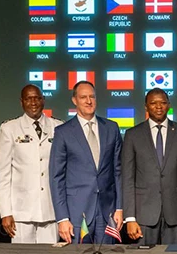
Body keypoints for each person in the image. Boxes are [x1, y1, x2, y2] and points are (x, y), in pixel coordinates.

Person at [49, 81, 124, 244]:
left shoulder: (111, 128)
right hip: (77, 214)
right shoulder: (63, 132)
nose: (89, 101)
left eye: (92, 97)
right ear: (74, 100)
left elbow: (118, 171)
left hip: (107, 212)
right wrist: (62, 218)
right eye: (83, 97)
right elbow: (56, 178)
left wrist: (119, 207)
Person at [121, 89, 177, 245]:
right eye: (153, 103)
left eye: (162, 102)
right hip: (143, 216)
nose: (158, 107)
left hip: (175, 214)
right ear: (146, 106)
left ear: (168, 105)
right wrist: (130, 218)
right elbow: (128, 179)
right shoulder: (133, 135)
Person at [0, 84, 60, 244]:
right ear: (21, 102)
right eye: (28, 99)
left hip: (51, 209)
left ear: (43, 100)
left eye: (37, 98)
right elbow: (3, 174)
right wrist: (5, 212)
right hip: (21, 212)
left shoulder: (58, 127)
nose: (33, 102)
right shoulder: (9, 128)